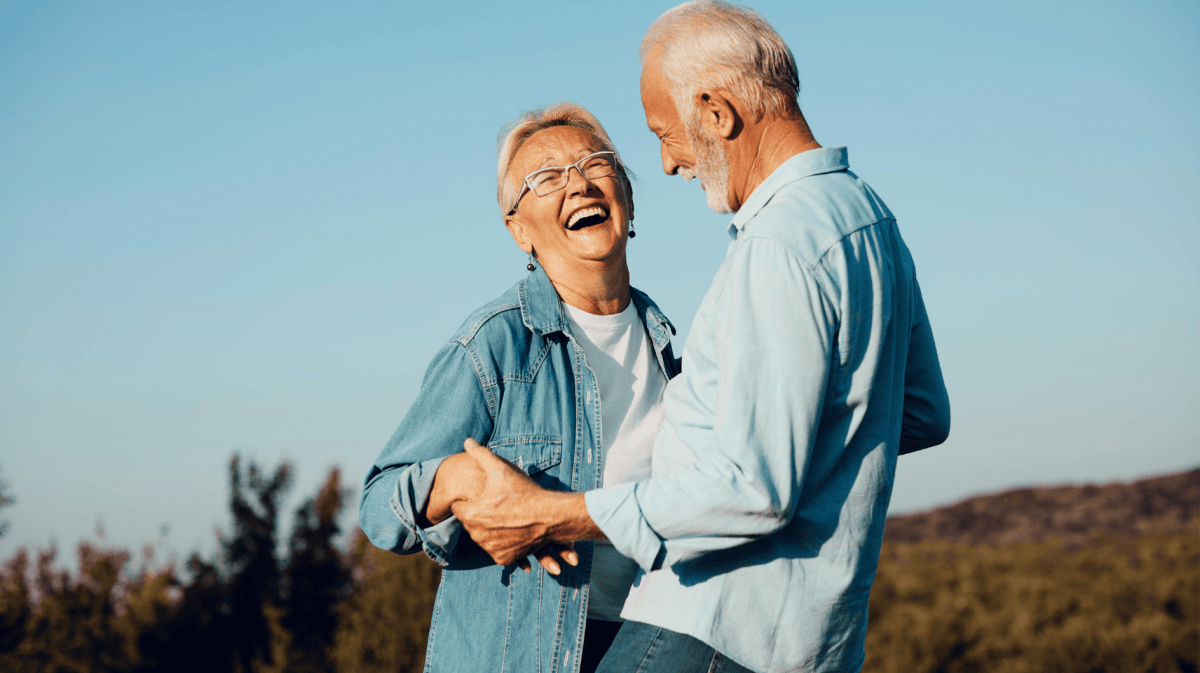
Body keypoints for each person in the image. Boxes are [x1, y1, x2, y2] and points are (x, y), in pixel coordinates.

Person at [450, 3, 952, 673]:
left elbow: (753, 489)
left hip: (708, 629)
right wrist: (804, 448)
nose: (666, 163)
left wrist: (553, 514)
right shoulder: (868, 217)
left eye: (666, 132)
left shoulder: (777, 244)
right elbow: (919, 412)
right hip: (814, 642)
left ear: (717, 113)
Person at [358, 103, 681, 672]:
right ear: (519, 231)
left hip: (643, 644)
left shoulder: (670, 347)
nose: (578, 183)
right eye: (546, 178)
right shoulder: (494, 344)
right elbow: (379, 507)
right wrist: (454, 478)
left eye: (595, 163)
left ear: (627, 198)